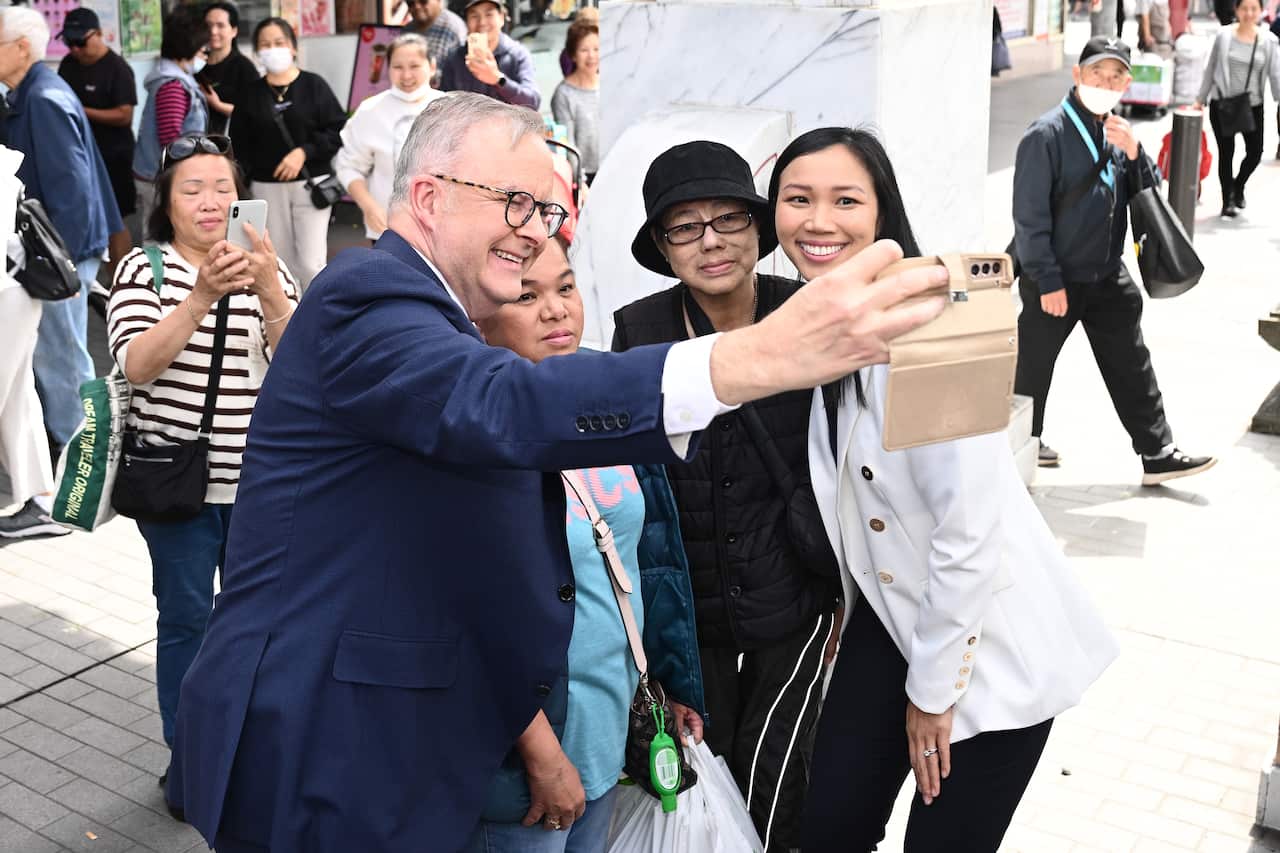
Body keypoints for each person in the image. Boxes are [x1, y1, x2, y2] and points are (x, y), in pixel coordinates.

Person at [163, 92, 950, 853]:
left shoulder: (441, 316)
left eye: (547, 213)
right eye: (518, 204)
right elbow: (502, 405)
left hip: (395, 747)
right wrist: (761, 353)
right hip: (323, 745)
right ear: (431, 197)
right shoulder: (369, 292)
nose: (538, 233)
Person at [765, 126, 1120, 853]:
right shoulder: (822, 328)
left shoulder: (934, 330)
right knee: (829, 824)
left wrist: (931, 697)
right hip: (889, 621)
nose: (818, 221)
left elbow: (969, 531)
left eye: (844, 200)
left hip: (986, 642)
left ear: (881, 214)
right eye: (797, 199)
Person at [611, 141, 842, 852]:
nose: (710, 241)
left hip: (793, 598)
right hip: (692, 612)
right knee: (710, 776)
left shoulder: (806, 312)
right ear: (662, 243)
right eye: (685, 226)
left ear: (757, 225)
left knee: (778, 779)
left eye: (728, 219)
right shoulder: (640, 330)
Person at [467, 234, 705, 850]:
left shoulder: (606, 402)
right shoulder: (477, 428)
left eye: (565, 288)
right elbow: (472, 623)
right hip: (526, 758)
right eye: (527, 295)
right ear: (477, 313)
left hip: (608, 730)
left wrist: (667, 683)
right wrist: (542, 757)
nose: (556, 310)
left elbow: (645, 560)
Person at [107, 132, 297, 777]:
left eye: (223, 187)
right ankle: (190, 759)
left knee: (261, 623)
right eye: (192, 189)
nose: (210, 202)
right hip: (175, 486)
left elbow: (303, 367)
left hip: (259, 486)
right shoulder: (145, 269)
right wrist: (200, 297)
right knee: (187, 622)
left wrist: (270, 289)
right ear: (166, 202)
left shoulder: (269, 263)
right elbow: (137, 365)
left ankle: (251, 749)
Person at [1012, 36, 1216, 485]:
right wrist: (1047, 281)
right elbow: (1029, 219)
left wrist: (1135, 154)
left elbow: (1147, 191)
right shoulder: (1045, 135)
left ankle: (1157, 451)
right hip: (1056, 278)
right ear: (1077, 75)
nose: (1105, 82)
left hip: (1107, 276)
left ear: (1126, 83)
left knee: (1131, 363)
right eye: (1096, 74)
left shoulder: (1118, 131)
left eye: (1115, 76)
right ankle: (1021, 442)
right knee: (1032, 369)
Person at [0, 7, 124, 460]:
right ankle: (72, 441)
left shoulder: (44, 98)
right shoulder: (29, 93)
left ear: (21, 48)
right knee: (55, 352)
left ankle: (82, 454)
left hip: (59, 249)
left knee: (62, 355)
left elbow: (72, 187)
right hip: (54, 246)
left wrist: (67, 266)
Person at [228, 17, 346, 291]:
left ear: (293, 48)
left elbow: (337, 129)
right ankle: (287, 322)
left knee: (311, 263)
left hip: (311, 185)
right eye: (265, 44)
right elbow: (239, 145)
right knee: (279, 262)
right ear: (256, 53)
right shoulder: (250, 94)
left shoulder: (314, 86)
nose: (273, 49)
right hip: (266, 189)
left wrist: (304, 152)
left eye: (279, 43)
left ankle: (318, 323)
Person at [0, 143, 66, 540]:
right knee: (18, 401)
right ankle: (44, 502)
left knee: (15, 399)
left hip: (7, 297)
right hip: (15, 297)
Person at [334, 34, 446, 241]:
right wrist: (368, 206)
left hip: (442, 228)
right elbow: (348, 166)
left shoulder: (450, 108)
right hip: (387, 228)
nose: (406, 75)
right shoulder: (370, 110)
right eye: (397, 67)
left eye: (414, 66)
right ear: (387, 68)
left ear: (431, 66)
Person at [57, 7, 137, 268]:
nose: (76, 49)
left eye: (80, 42)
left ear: (99, 34)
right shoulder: (68, 65)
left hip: (114, 156)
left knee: (117, 220)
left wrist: (82, 111)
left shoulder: (118, 68)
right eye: (70, 43)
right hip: (79, 155)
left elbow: (124, 115)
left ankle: (120, 279)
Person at [1194, 0, 1280, 216]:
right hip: (1223, 104)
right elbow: (1211, 68)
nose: (1249, 13)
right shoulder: (1224, 36)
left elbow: (1275, 74)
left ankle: (1238, 185)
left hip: (1253, 106)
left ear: (1261, 11)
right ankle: (1227, 200)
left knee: (1255, 152)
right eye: (1245, 8)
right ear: (1237, 10)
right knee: (1226, 153)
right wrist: (1200, 99)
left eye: (1254, 9)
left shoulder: (1268, 41)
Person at [133, 5, 211, 227]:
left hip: (161, 175)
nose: (205, 55)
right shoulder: (173, 86)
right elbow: (171, 138)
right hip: (165, 179)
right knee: (162, 241)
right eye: (203, 49)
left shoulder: (172, 79)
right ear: (190, 46)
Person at [439, 0, 541, 109]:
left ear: (502, 18)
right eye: (474, 16)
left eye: (489, 14)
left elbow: (532, 102)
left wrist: (498, 79)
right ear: (466, 22)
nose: (482, 22)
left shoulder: (517, 54)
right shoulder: (455, 58)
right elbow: (445, 104)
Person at [197, 2, 260, 137]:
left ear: (234, 31)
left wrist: (217, 105)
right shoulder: (196, 64)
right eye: (208, 25)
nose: (213, 31)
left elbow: (256, 112)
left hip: (231, 145)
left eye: (220, 25)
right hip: (197, 144)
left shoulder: (244, 67)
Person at [550, 21, 600, 184]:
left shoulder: (612, 84)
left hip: (612, 170)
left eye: (596, 49)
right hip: (585, 177)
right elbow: (569, 145)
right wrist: (580, 182)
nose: (591, 55)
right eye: (584, 50)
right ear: (573, 55)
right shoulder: (564, 94)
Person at [402, 0, 467, 85]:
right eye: (410, 3)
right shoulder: (407, 30)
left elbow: (461, 72)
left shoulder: (453, 27)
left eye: (423, 2)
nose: (416, 7)